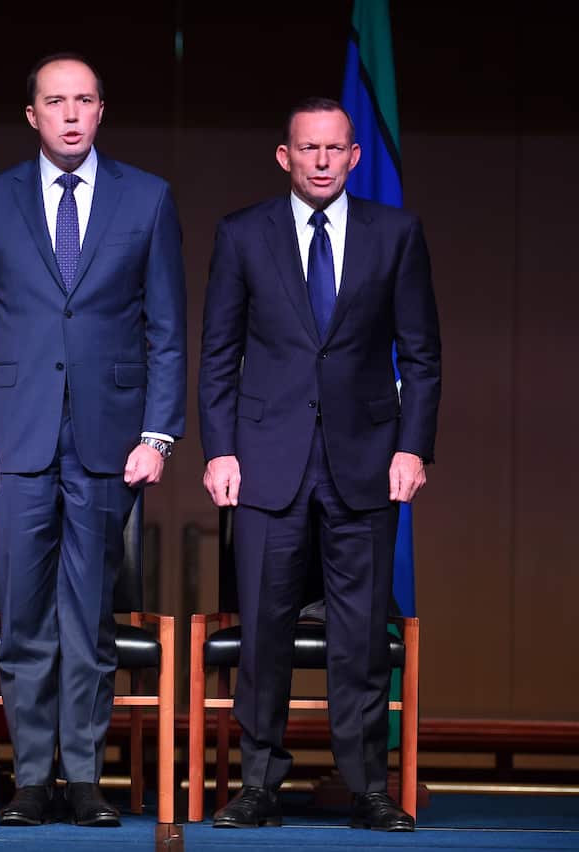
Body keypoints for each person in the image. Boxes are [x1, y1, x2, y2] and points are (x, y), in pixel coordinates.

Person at [0, 52, 187, 827]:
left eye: (84, 100)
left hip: (108, 442)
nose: (72, 114)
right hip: (14, 440)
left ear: (101, 109)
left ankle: (82, 776)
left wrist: (158, 433)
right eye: (57, 102)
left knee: (89, 618)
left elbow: (166, 328)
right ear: (33, 116)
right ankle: (27, 778)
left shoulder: (147, 199)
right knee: (21, 617)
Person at [198, 97, 440, 832]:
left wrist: (413, 445)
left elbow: (423, 356)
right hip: (267, 463)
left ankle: (367, 786)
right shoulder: (242, 234)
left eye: (336, 148)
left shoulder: (395, 234)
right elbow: (216, 355)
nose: (323, 160)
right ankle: (260, 783)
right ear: (286, 156)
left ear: (355, 155)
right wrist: (219, 449)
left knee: (361, 635)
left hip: (365, 463)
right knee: (264, 633)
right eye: (309, 149)